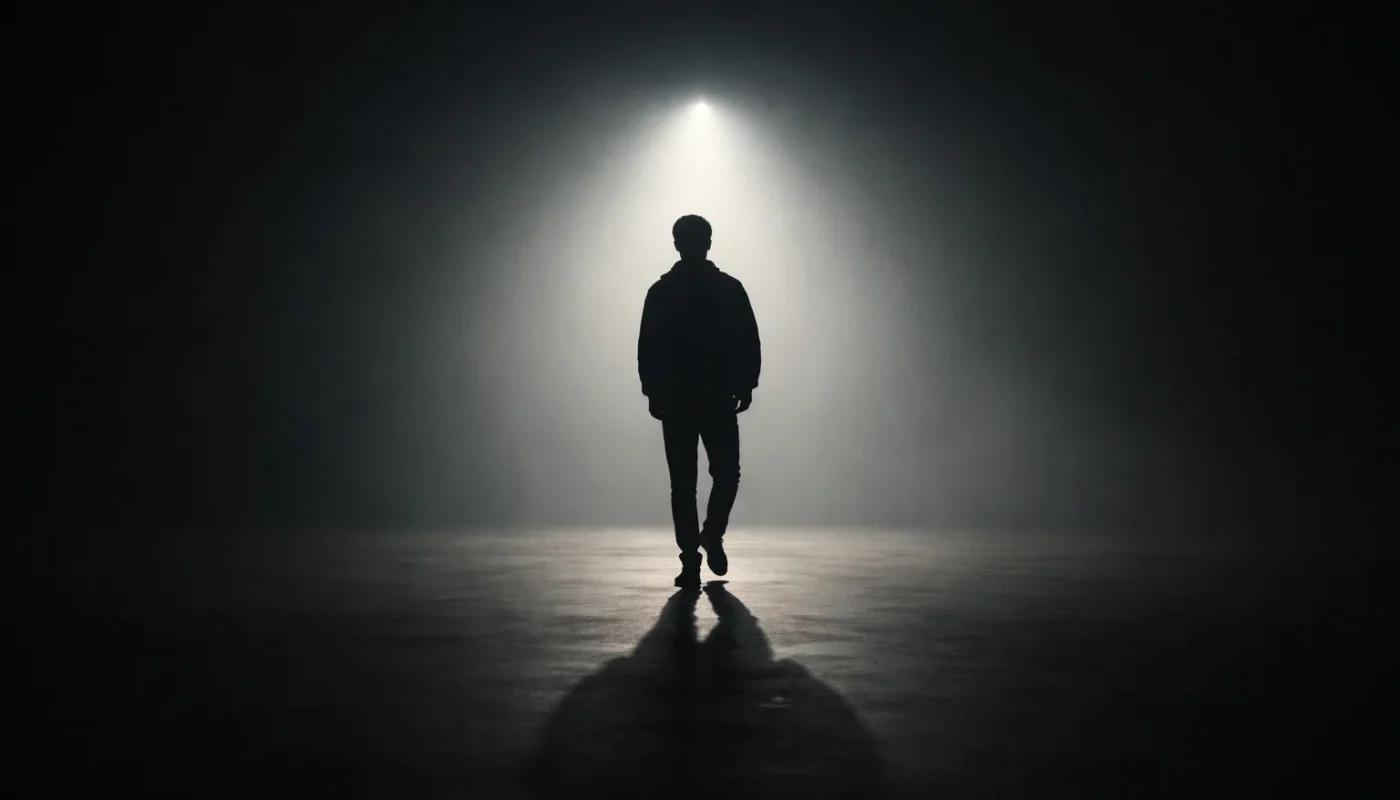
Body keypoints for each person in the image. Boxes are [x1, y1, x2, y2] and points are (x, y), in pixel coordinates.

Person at [638, 215, 761, 589]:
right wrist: (746, 383)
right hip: (709, 396)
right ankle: (701, 546)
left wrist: (652, 389)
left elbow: (648, 347)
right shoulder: (726, 289)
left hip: (687, 398)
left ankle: (695, 555)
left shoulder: (665, 292)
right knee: (714, 478)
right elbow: (748, 339)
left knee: (689, 484)